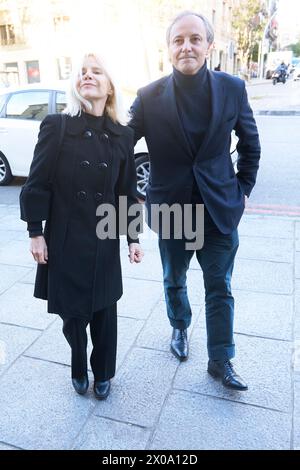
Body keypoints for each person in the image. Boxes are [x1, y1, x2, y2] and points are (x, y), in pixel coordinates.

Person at [129, 11, 260, 391]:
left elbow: (251, 144)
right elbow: (122, 142)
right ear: (169, 48)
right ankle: (179, 327)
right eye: (178, 40)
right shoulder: (149, 96)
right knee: (174, 279)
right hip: (171, 210)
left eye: (194, 39)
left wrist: (243, 190)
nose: (186, 46)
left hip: (218, 210)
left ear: (208, 45)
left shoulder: (232, 88)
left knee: (220, 285)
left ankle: (221, 359)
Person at [20, 52, 143, 400]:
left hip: (103, 239)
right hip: (65, 237)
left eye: (97, 72)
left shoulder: (123, 135)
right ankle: (78, 361)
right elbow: (37, 182)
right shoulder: (57, 126)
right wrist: (35, 231)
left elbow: (126, 191)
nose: (88, 76)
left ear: (110, 85)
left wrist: (132, 238)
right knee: (72, 316)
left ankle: (103, 371)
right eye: (82, 72)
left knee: (105, 311)